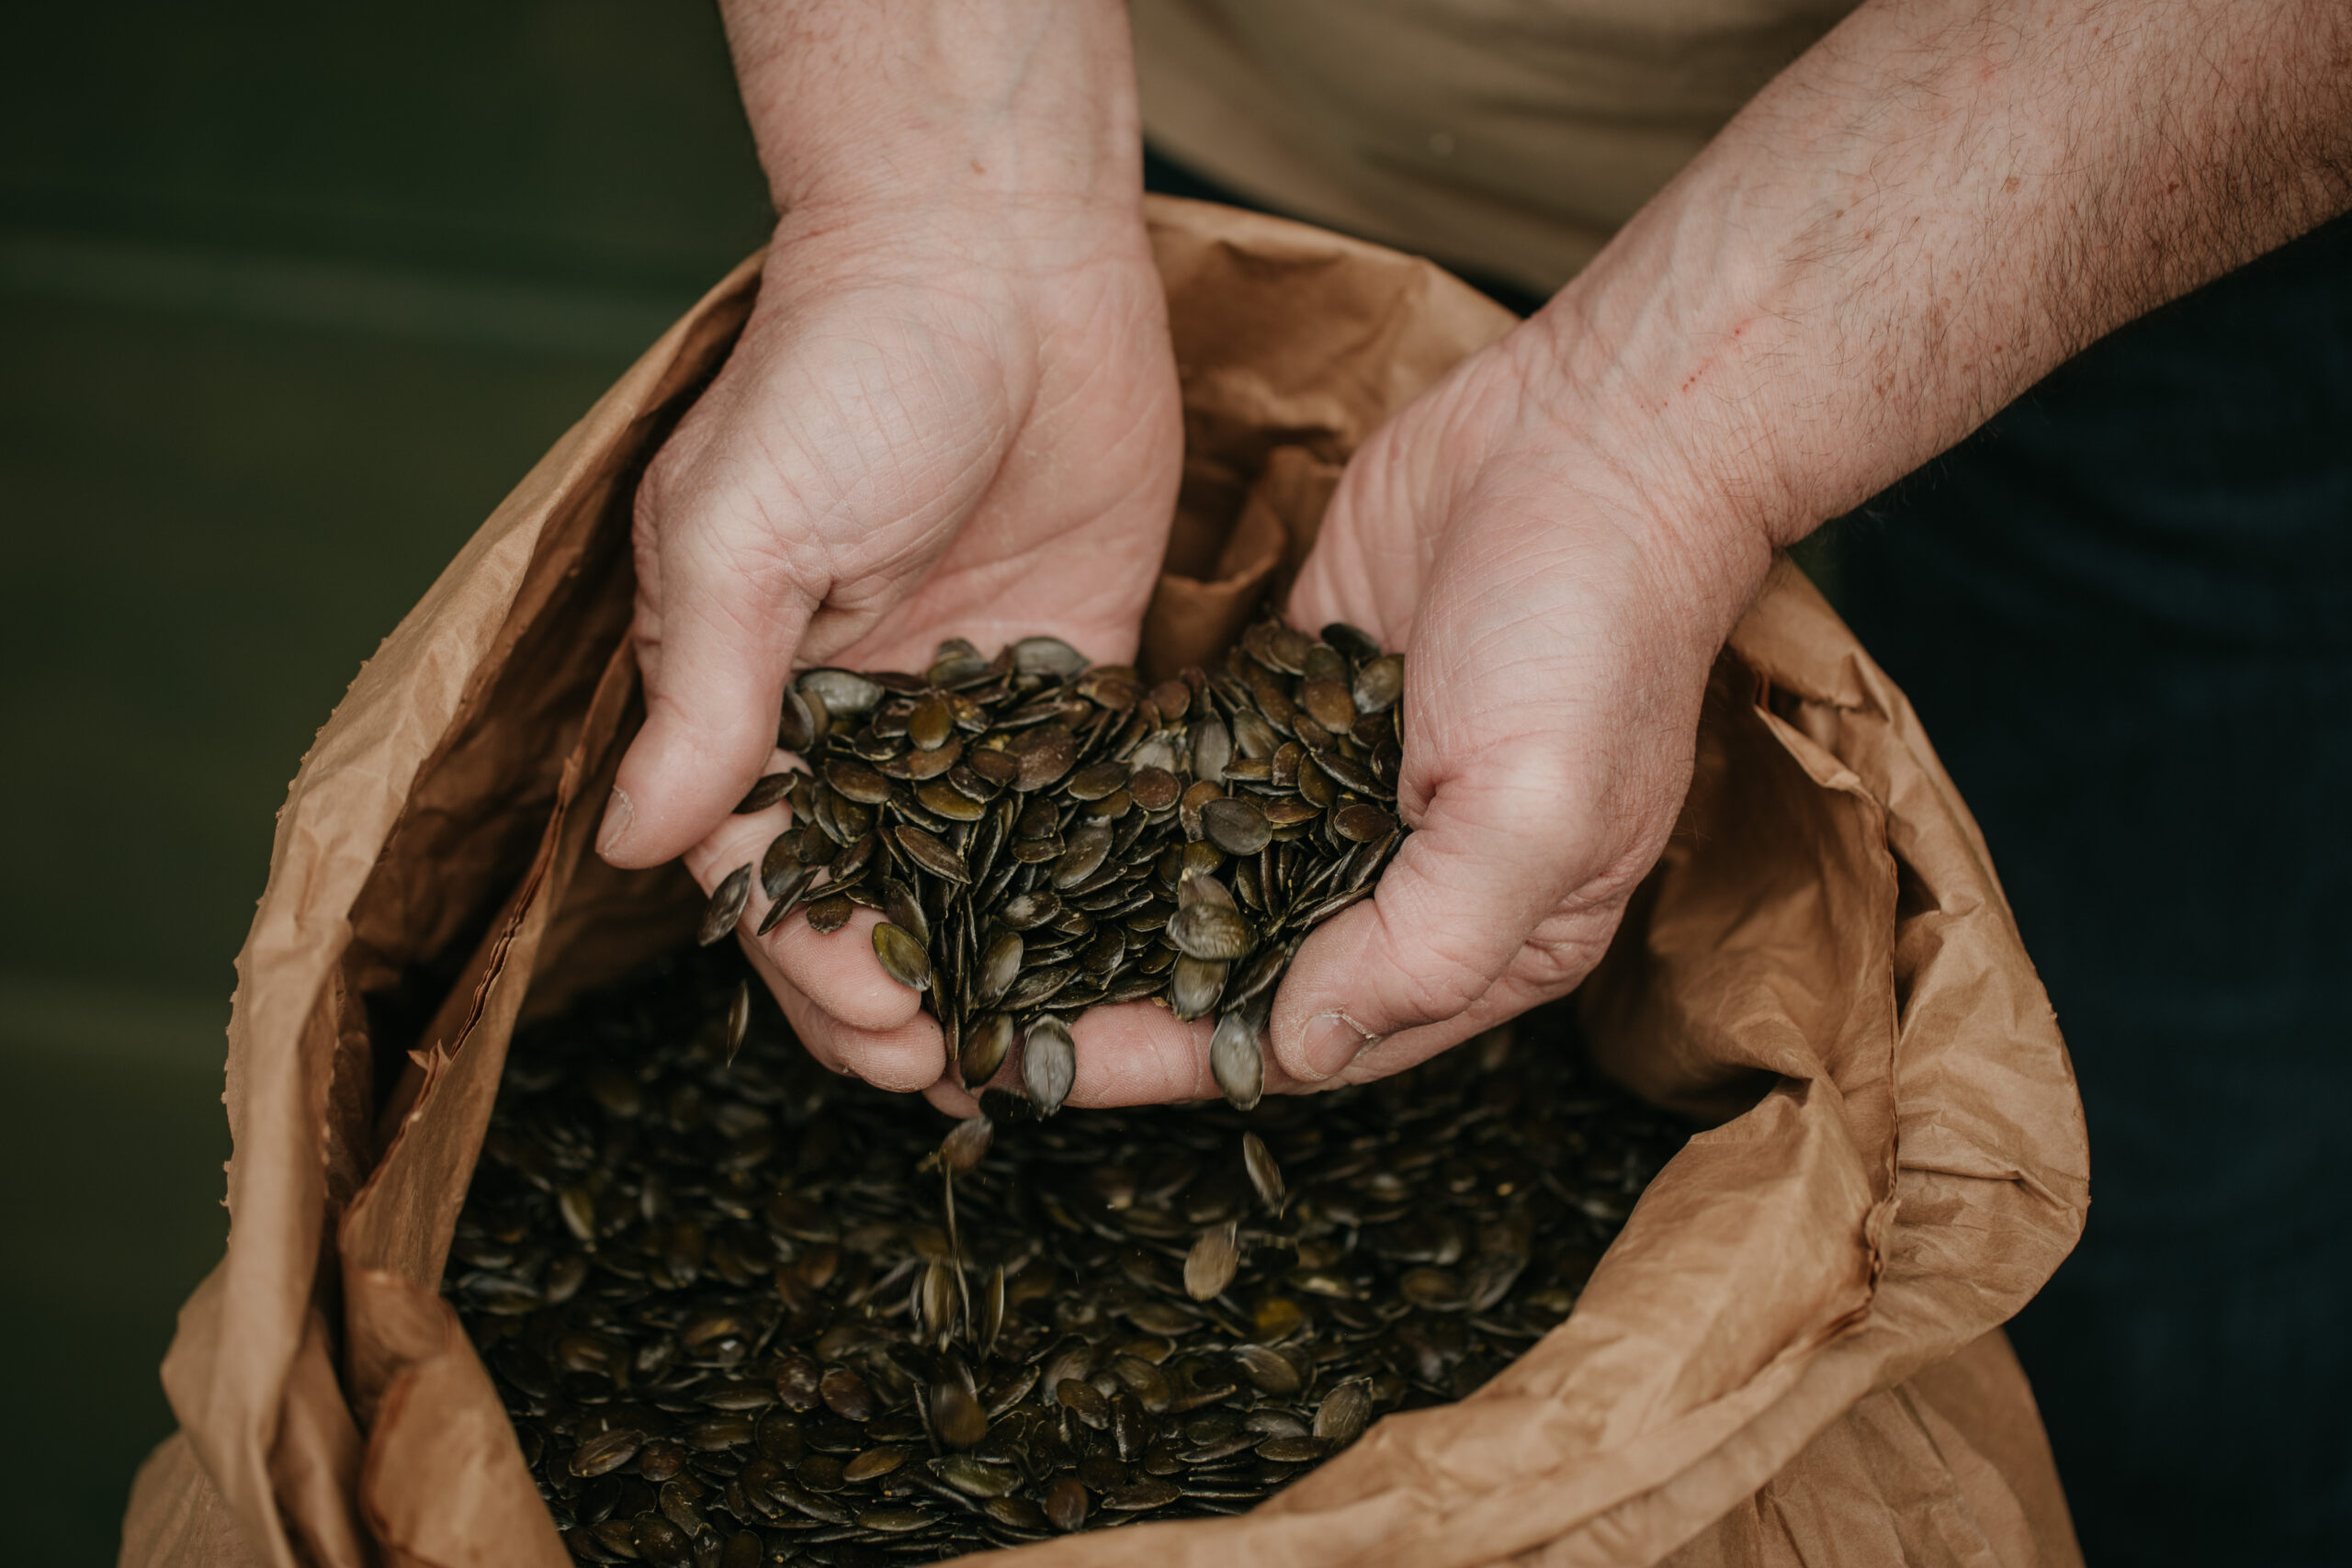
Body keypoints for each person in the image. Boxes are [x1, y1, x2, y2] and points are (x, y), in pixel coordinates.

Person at [591, 5, 2352, 1560]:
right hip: (1156, 73)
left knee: (2156, 1124)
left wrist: (1661, 445)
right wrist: (940, 200)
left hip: (2138, 136)